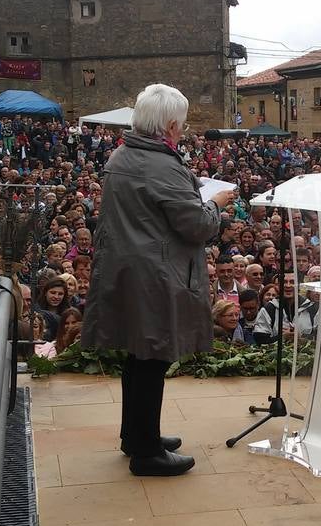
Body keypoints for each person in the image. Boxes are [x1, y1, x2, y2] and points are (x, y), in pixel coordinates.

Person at [79, 83, 236, 477]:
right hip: (154, 272)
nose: (182, 131)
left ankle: (137, 435)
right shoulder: (161, 164)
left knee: (139, 355)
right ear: (169, 125)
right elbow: (198, 225)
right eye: (180, 125)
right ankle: (146, 452)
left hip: (133, 268)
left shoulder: (124, 153)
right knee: (153, 357)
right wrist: (214, 204)